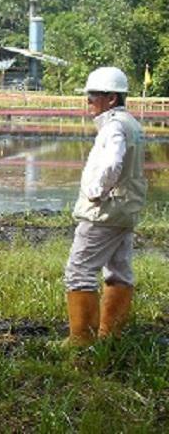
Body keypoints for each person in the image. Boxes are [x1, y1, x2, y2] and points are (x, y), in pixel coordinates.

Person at [63, 66, 147, 346]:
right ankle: (110, 336)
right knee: (119, 270)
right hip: (125, 209)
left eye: (92, 96)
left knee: (79, 271)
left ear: (111, 98)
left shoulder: (113, 127)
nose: (88, 101)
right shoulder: (132, 124)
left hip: (105, 211)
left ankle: (82, 341)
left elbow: (112, 163)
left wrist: (95, 191)